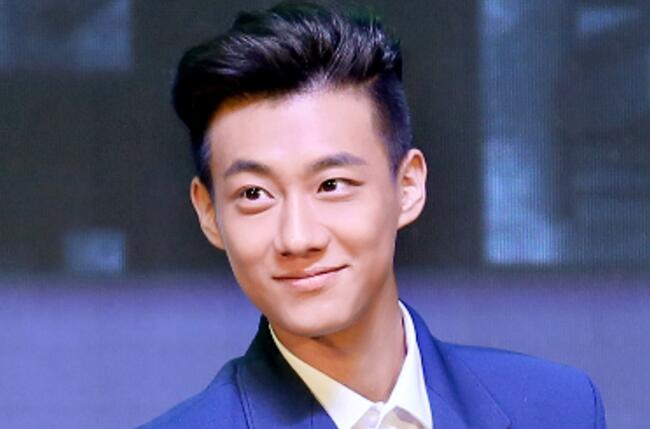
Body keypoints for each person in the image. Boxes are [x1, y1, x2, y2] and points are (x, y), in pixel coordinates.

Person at [138, 2, 606, 428]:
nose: (297, 238)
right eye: (255, 193)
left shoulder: (557, 408)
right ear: (209, 213)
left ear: (408, 187)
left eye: (331, 185)